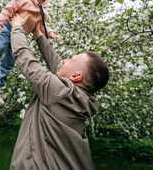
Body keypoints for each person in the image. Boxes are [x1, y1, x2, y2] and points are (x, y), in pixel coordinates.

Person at [9, 14, 109, 170]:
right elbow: (57, 64)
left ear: (76, 76)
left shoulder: (59, 91)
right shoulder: (80, 98)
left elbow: (25, 57)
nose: (64, 60)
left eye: (70, 59)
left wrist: (16, 27)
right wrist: (38, 35)